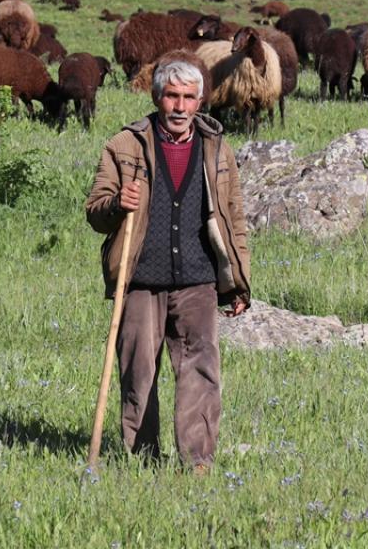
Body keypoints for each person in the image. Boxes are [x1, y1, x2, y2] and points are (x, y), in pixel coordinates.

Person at [85, 52, 251, 473]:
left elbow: (234, 219)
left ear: (200, 101)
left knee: (201, 370)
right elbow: (94, 211)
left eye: (188, 97)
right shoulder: (125, 146)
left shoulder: (216, 149)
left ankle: (198, 461)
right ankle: (142, 458)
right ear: (158, 97)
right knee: (138, 372)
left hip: (198, 279)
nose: (180, 107)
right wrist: (116, 204)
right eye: (172, 96)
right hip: (141, 277)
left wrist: (239, 282)